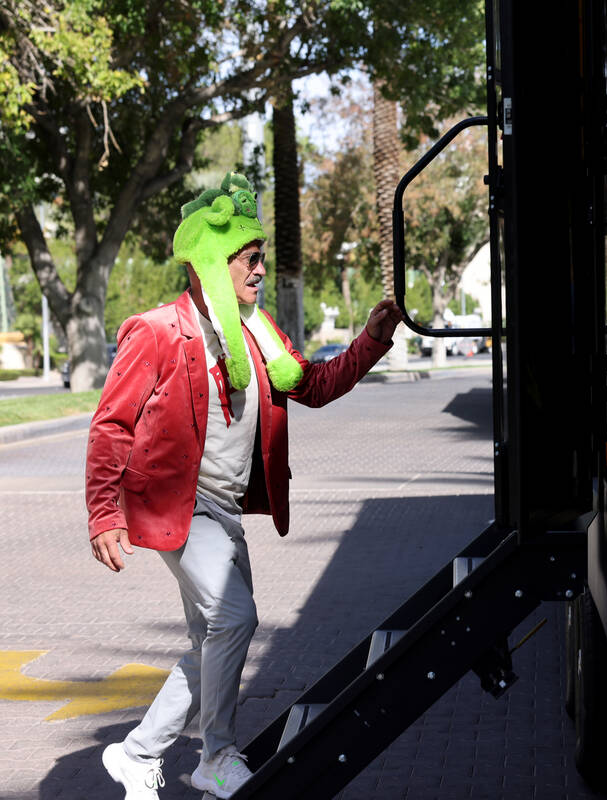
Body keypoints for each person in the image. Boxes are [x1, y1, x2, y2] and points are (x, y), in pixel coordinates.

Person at [85, 172, 404, 799]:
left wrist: (372, 339)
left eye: (261, 258)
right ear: (213, 262)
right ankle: (216, 754)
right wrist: (103, 514)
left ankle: (139, 753)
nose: (259, 270)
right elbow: (111, 424)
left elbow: (311, 385)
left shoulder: (259, 331)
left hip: (224, 511)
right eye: (249, 259)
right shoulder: (159, 331)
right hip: (180, 507)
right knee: (235, 620)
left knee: (214, 638)